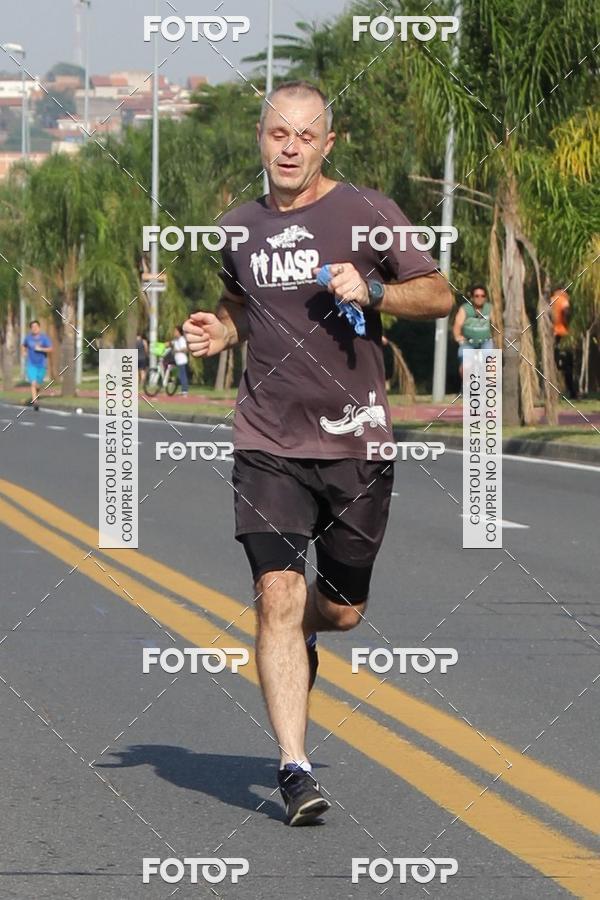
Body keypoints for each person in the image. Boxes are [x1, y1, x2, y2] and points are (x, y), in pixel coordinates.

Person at [184, 81, 452, 826]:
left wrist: (374, 291)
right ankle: (295, 769)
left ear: (327, 144)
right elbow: (242, 304)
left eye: (306, 136)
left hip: (355, 443)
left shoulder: (367, 212)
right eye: (279, 134)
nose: (291, 148)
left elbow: (438, 294)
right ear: (260, 138)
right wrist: (220, 331)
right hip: (267, 439)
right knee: (276, 592)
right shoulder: (238, 227)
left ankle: (306, 630)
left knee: (340, 611)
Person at [453, 284, 494, 377]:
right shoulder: (465, 309)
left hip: (486, 341)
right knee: (466, 366)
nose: (480, 298)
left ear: (486, 297)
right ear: (472, 297)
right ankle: (466, 383)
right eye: (477, 296)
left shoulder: (490, 308)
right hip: (468, 342)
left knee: (491, 365)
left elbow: (497, 325)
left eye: (482, 296)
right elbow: (457, 326)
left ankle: (488, 385)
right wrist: (458, 337)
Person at [551, 286, 578, 399]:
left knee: (558, 362)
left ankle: (561, 390)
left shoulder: (552, 299)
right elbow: (566, 312)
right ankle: (572, 392)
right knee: (569, 364)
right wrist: (567, 325)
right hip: (563, 333)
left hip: (553, 334)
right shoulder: (563, 299)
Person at [21, 320, 52, 411]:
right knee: (33, 383)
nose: (34, 328)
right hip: (31, 364)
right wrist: (23, 352)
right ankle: (35, 402)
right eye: (32, 327)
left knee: (38, 385)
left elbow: (50, 349)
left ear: (39, 327)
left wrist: (41, 349)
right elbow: (23, 345)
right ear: (31, 329)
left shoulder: (44, 338)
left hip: (41, 364)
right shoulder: (28, 338)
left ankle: (35, 397)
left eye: (36, 326)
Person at [171, 325, 189, 397]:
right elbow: (170, 343)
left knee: (182, 375)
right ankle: (182, 390)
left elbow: (185, 349)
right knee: (179, 375)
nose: (174, 332)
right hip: (177, 360)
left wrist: (177, 350)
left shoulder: (182, 339)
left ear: (179, 332)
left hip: (182, 360)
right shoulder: (175, 340)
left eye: (175, 331)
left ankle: (185, 391)